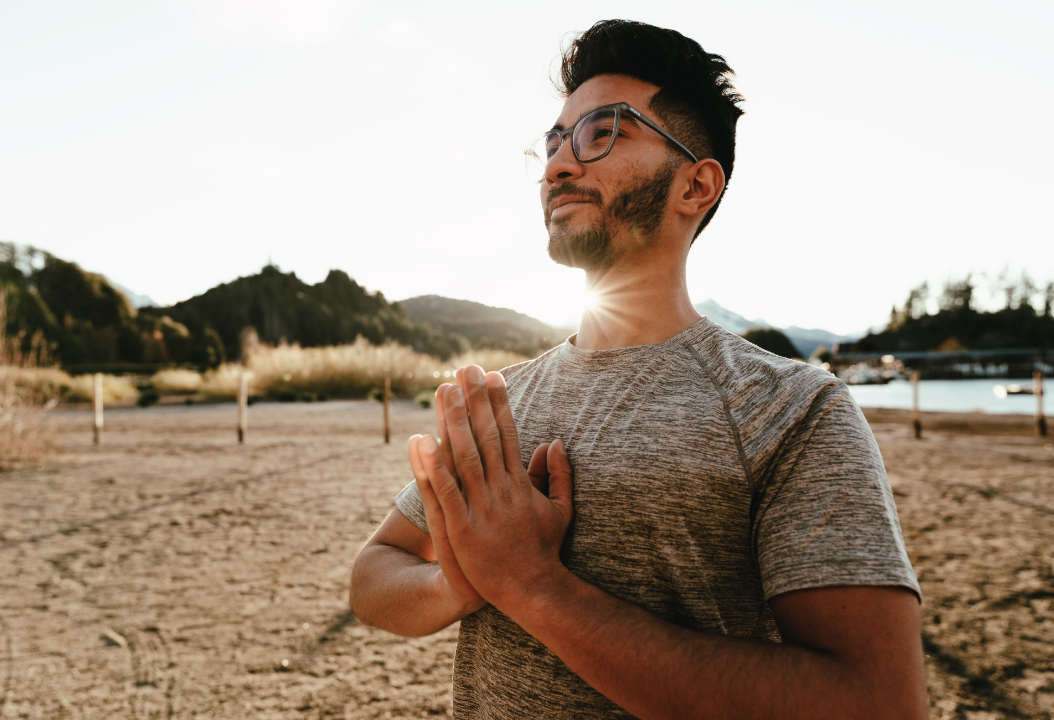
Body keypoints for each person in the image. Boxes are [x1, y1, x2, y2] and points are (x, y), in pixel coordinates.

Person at [350, 19, 927, 719]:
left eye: (602, 133)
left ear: (695, 185)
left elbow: (877, 701)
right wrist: (463, 583)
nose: (559, 165)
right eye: (556, 141)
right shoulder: (504, 399)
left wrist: (532, 585)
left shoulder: (791, 410)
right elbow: (375, 573)